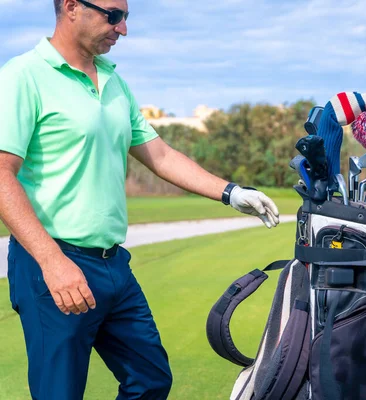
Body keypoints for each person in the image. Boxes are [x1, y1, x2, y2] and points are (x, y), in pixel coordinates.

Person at [0, 0, 280, 399]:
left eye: (126, 17)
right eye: (113, 15)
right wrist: (51, 261)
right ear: (71, 7)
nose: (123, 28)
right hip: (52, 264)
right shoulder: (22, 76)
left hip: (113, 265)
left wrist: (230, 192)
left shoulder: (114, 81)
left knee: (150, 379)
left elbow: (160, 154)